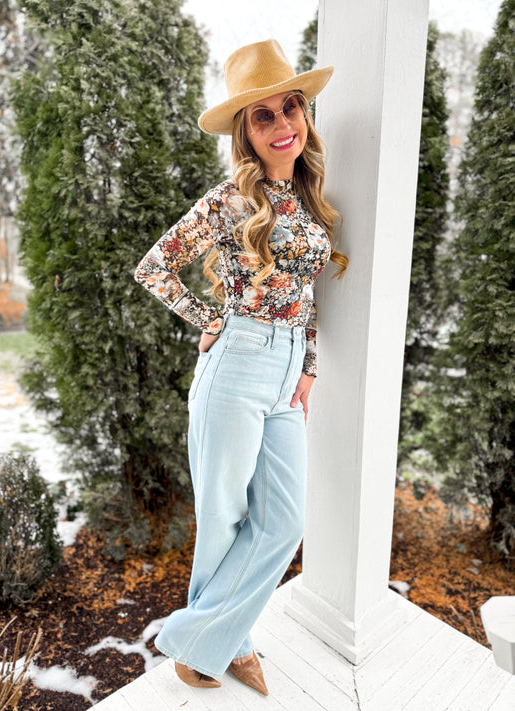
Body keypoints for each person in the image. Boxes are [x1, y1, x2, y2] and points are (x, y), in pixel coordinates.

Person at [134, 38, 347, 696]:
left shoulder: (310, 198)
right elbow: (153, 267)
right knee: (224, 515)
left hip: (284, 376)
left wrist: (306, 364)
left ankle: (196, 636)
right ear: (244, 132)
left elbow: (309, 293)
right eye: (264, 116)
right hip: (235, 365)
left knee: (283, 521)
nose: (284, 125)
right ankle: (224, 645)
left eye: (292, 107)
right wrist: (209, 320)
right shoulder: (228, 200)